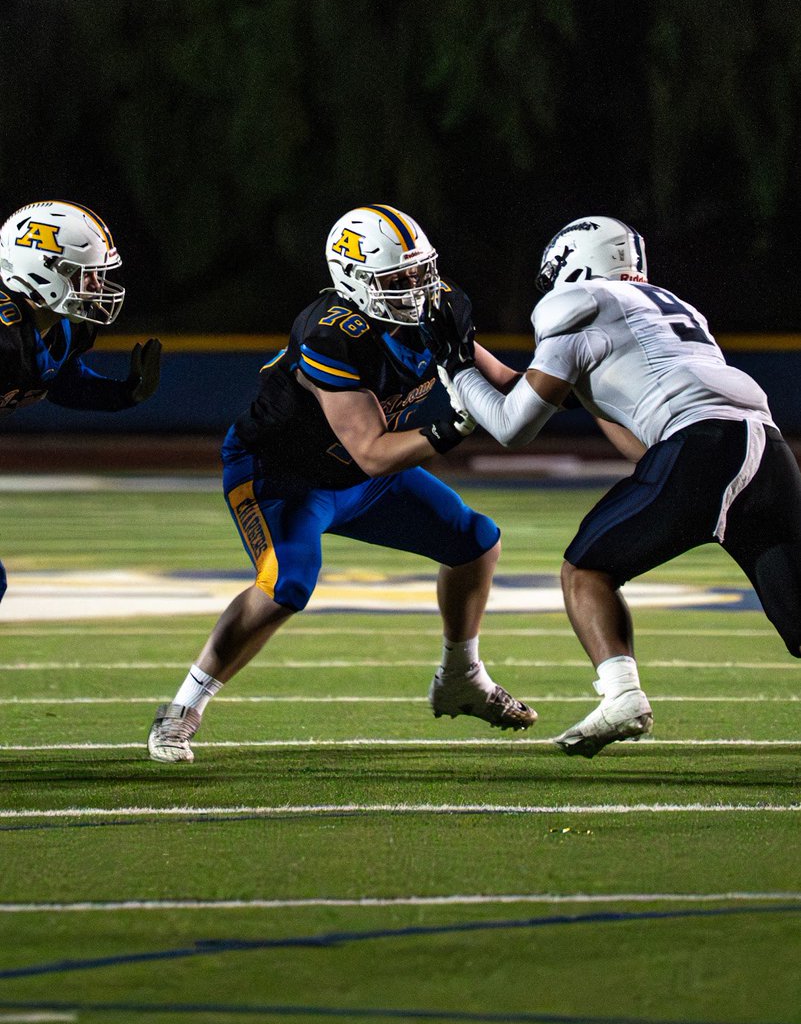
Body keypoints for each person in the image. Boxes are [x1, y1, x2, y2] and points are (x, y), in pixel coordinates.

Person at [147, 203, 536, 763]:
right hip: (284, 477)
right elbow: (374, 452)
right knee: (288, 583)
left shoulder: (442, 305)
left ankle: (461, 677)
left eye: (420, 271)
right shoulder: (333, 334)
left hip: (357, 475)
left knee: (476, 541)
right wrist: (455, 422)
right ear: (353, 282)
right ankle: (181, 711)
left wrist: (569, 382)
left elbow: (504, 382)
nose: (416, 288)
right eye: (396, 279)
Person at [431, 215, 801, 757]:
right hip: (766, 451)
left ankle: (623, 695)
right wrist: (468, 351)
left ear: (572, 265)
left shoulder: (577, 303)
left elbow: (512, 425)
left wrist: (457, 368)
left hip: (703, 447)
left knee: (587, 570)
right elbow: (635, 441)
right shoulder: (663, 307)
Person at [0, 199, 162, 602]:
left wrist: (120, 394)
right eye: (87, 275)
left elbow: (56, 380)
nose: (98, 287)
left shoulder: (62, 329)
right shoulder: (4, 340)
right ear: (46, 272)